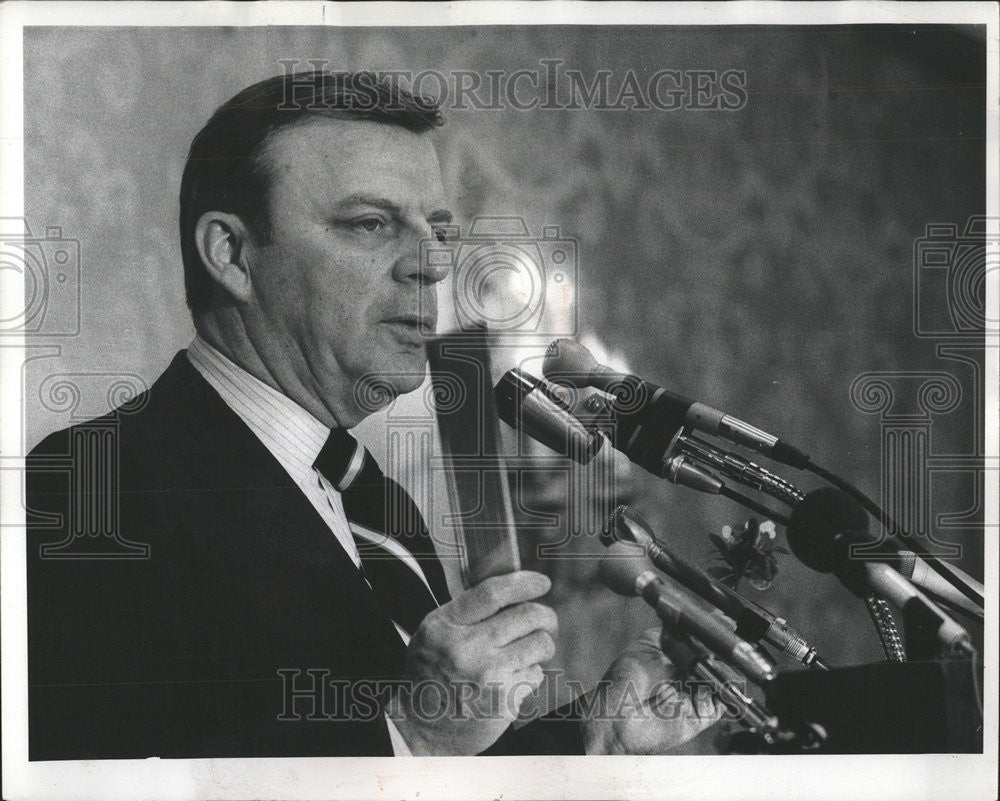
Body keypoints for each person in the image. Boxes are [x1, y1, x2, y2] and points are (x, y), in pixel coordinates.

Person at [26, 70, 719, 759]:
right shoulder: (92, 482)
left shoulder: (374, 500)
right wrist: (412, 734)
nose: (431, 266)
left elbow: (440, 768)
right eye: (371, 223)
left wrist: (601, 734)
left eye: (437, 231)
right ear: (233, 254)